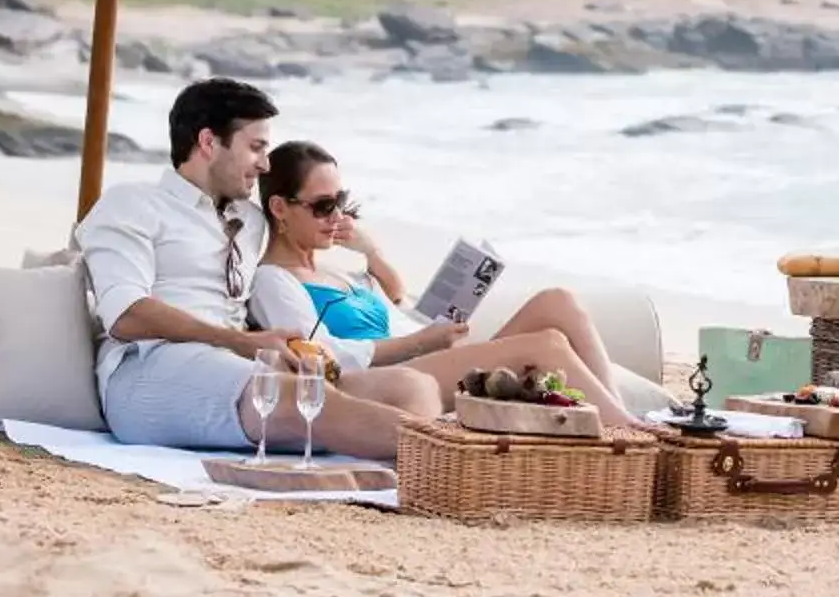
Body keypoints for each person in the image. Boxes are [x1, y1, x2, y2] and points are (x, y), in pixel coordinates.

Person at [75, 79, 434, 458]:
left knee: (410, 386)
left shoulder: (249, 220)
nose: (265, 164)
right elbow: (126, 315)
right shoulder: (132, 204)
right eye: (256, 148)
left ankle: (422, 469)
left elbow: (295, 246)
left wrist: (364, 249)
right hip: (149, 374)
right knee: (295, 396)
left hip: (240, 370)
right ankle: (455, 459)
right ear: (209, 143)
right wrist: (242, 342)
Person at [245, 138, 643, 426]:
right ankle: (629, 433)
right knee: (548, 344)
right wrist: (424, 341)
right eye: (323, 206)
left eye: (342, 203)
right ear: (280, 207)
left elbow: (397, 304)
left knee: (558, 301)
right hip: (394, 380)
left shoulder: (336, 271)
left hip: (432, 354)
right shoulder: (273, 281)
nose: (337, 216)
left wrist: (372, 252)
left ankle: (621, 416)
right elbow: (326, 358)